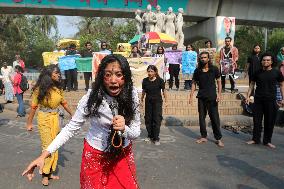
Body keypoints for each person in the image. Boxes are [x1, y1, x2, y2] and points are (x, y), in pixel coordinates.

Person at [22, 54, 141, 189]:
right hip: (95, 156)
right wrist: (44, 155)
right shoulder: (91, 98)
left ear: (126, 76)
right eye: (108, 75)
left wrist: (124, 128)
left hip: (121, 156)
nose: (113, 80)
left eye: (119, 74)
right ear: (102, 76)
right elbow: (70, 128)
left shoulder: (132, 94)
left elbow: (136, 132)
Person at [25, 64, 72, 186]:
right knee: (47, 146)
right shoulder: (39, 89)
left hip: (55, 119)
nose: (58, 75)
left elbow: (64, 103)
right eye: (56, 73)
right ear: (48, 75)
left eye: (59, 73)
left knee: (55, 146)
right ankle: (45, 174)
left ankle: (50, 172)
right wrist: (29, 123)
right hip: (44, 119)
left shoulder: (58, 88)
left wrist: (73, 114)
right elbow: (33, 107)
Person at [246, 52, 284, 149]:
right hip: (258, 100)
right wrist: (247, 96)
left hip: (271, 100)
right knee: (257, 121)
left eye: (268, 60)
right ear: (261, 61)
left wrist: (283, 98)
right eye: (264, 60)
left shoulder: (276, 72)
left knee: (269, 121)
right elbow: (252, 84)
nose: (265, 61)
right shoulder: (257, 72)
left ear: (271, 62)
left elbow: (281, 85)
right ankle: (255, 139)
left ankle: (267, 141)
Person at [189, 52, 224, 147]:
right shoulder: (197, 71)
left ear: (208, 59)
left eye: (205, 57)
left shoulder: (214, 69)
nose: (203, 59)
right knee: (201, 118)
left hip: (212, 97)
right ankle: (203, 136)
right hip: (201, 97)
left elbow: (219, 82)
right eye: (201, 58)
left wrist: (219, 94)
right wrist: (191, 96)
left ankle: (218, 138)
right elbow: (193, 83)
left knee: (214, 118)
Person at [141, 65, 167, 145]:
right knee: (148, 119)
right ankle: (150, 136)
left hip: (157, 102)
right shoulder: (145, 81)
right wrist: (141, 100)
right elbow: (144, 91)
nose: (150, 73)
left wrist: (166, 101)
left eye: (151, 71)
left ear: (155, 72)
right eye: (148, 71)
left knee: (156, 119)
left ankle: (156, 138)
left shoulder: (160, 81)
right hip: (148, 102)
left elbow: (164, 91)